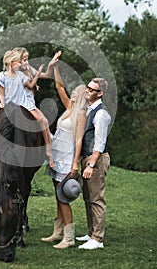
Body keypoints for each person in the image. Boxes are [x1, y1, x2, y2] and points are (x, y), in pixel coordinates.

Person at [0, 49, 58, 167]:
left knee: (43, 121)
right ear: (13, 62)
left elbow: (41, 78)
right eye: (23, 60)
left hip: (26, 103)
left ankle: (48, 151)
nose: (26, 63)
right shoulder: (5, 75)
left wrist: (48, 67)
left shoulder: (26, 71)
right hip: (10, 102)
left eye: (26, 60)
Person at [41, 57, 87, 249]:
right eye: (73, 92)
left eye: (77, 92)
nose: (73, 93)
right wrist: (56, 68)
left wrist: (75, 163)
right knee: (57, 194)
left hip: (68, 159)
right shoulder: (69, 108)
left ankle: (69, 238)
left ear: (83, 96)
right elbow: (60, 88)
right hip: (57, 158)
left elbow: (79, 140)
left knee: (63, 197)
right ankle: (58, 231)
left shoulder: (81, 113)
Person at [76, 78, 111, 250]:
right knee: (88, 197)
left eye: (92, 89)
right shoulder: (90, 110)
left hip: (95, 159)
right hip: (87, 158)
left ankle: (98, 239)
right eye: (88, 88)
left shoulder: (101, 113)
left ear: (100, 93)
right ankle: (91, 233)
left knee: (96, 199)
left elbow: (100, 142)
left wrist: (91, 165)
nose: (88, 91)